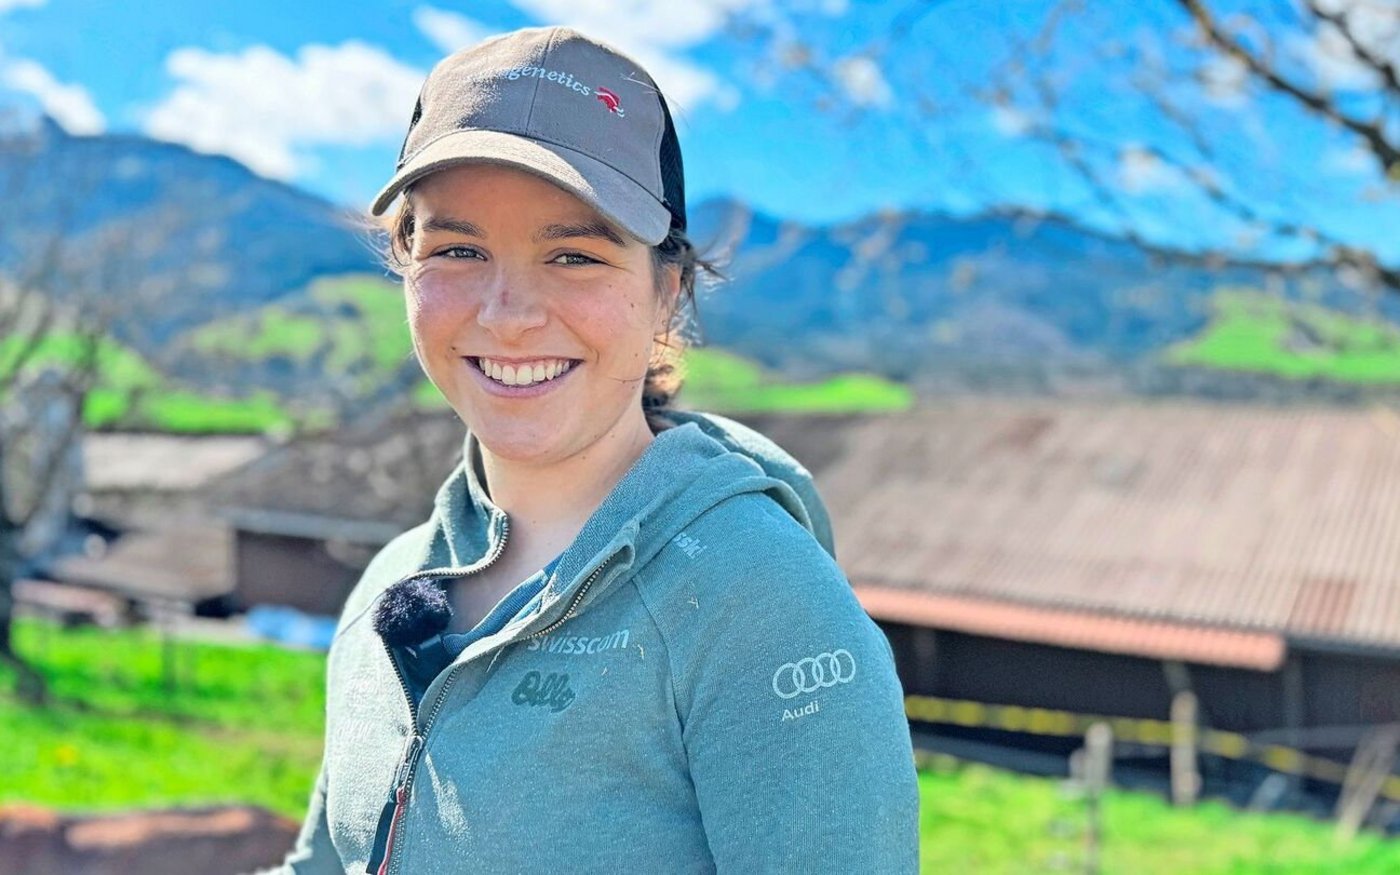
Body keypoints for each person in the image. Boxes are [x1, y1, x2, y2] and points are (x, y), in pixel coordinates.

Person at [268, 26, 918, 874]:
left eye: (574, 254)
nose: (508, 312)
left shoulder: (761, 606)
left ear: (666, 292)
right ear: (404, 264)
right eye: (458, 249)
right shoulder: (392, 587)